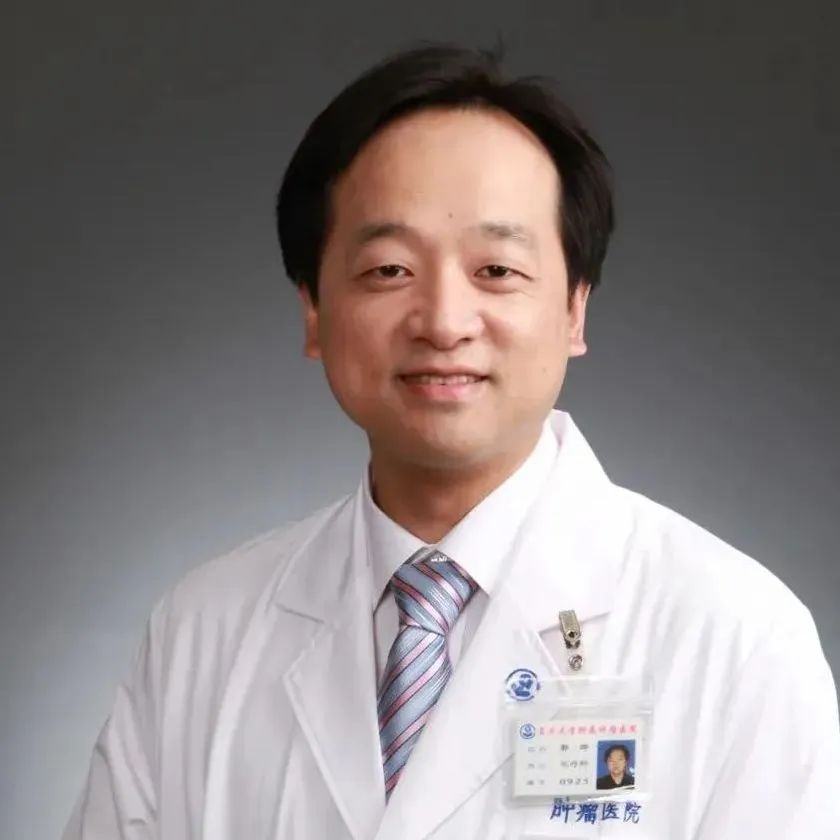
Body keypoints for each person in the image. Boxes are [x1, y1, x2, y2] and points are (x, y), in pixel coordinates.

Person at [63, 41, 840, 840]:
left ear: (574, 309)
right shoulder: (202, 633)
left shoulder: (737, 637)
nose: (442, 321)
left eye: (496, 270)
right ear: (314, 312)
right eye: (388, 270)